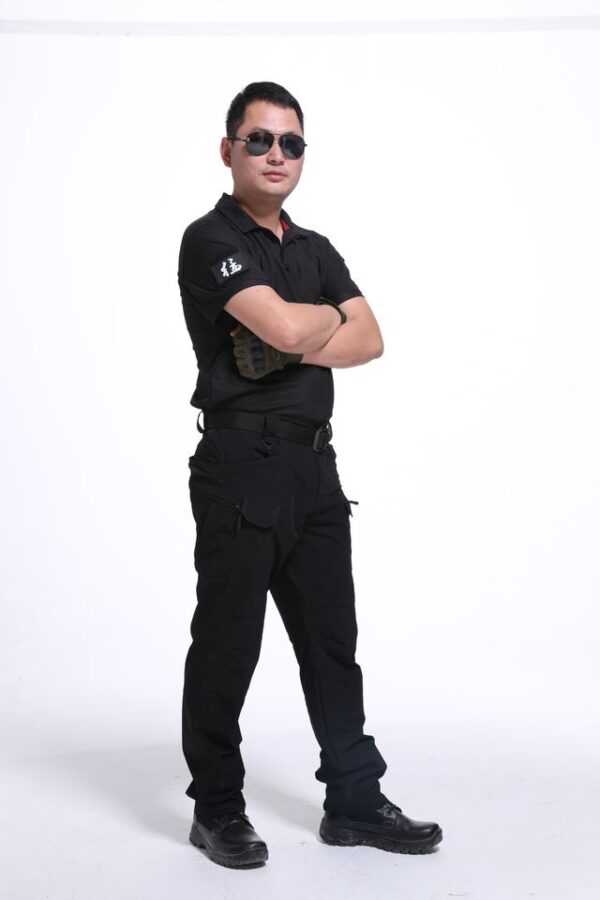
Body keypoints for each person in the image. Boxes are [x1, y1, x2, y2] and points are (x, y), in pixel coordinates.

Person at [177, 81, 443, 869]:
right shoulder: (208, 237)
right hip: (241, 464)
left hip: (315, 467)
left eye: (290, 143)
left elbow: (372, 339)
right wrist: (319, 321)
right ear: (228, 150)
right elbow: (299, 326)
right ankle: (217, 809)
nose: (275, 154)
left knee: (333, 642)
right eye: (259, 139)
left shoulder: (316, 248)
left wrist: (299, 331)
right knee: (229, 644)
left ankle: (354, 801)